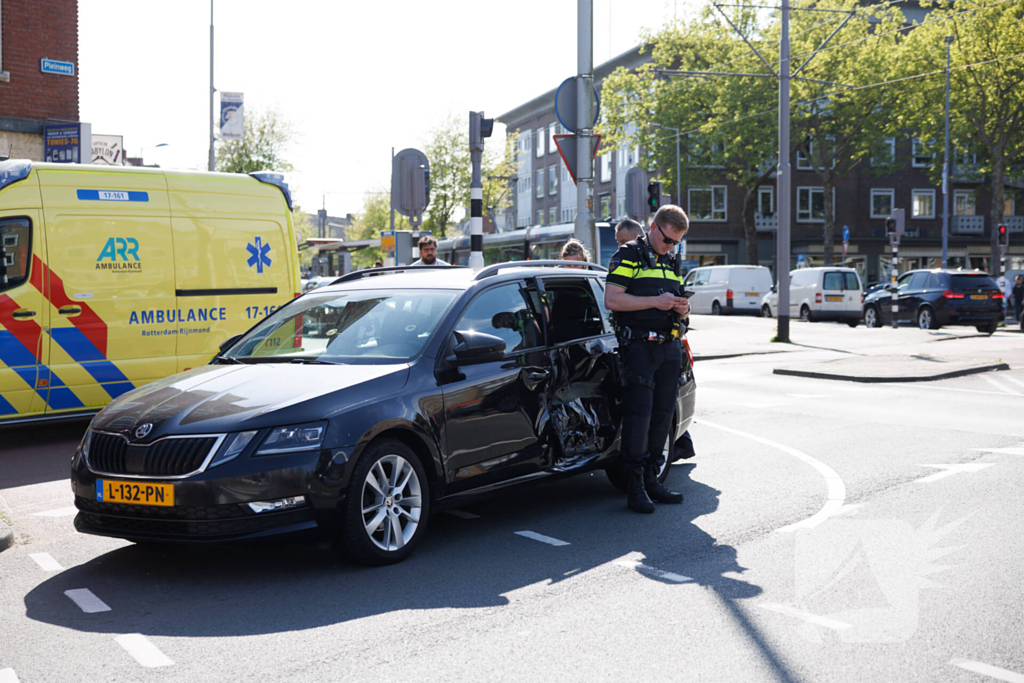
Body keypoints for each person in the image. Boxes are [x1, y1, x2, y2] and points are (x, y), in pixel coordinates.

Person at [605, 205, 690, 514]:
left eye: (676, 242)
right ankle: (635, 486)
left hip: (669, 346)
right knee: (639, 416)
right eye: (668, 240)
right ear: (654, 228)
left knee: (663, 415)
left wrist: (683, 309)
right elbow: (612, 299)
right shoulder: (628, 255)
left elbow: (679, 302)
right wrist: (656, 301)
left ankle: (653, 478)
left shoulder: (670, 260)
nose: (671, 246)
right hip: (639, 347)